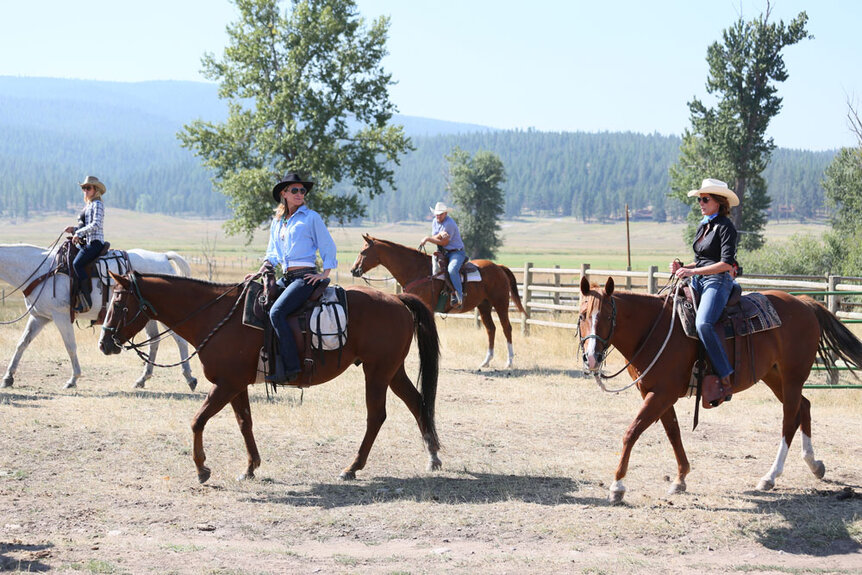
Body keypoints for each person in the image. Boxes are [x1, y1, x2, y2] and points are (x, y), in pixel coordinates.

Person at [249, 172, 337, 384]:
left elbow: (327, 245)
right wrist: (261, 271)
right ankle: (270, 360)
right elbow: (272, 254)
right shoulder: (278, 222)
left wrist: (324, 273)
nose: (300, 194)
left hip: (304, 278)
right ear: (284, 194)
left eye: (302, 190)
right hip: (286, 277)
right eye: (295, 190)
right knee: (261, 304)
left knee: (277, 312)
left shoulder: (311, 217)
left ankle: (291, 367)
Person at [670, 178, 739, 406]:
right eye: (699, 199)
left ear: (718, 202)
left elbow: (726, 264)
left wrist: (693, 272)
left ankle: (725, 375)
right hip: (699, 278)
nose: (700, 202)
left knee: (703, 324)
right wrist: (684, 268)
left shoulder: (725, 227)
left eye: (705, 199)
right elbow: (701, 260)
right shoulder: (704, 225)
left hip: (717, 281)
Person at [63, 176, 107, 312]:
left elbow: (96, 224)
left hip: (95, 243)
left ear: (96, 190)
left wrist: (79, 233)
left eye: (88, 188)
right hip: (86, 241)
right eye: (83, 188)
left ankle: (87, 301)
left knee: (77, 264)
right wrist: (74, 229)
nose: (85, 190)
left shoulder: (97, 204)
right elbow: (87, 225)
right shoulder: (88, 205)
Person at [420, 201, 467, 309]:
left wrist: (427, 238)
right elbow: (436, 237)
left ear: (445, 214)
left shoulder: (449, 224)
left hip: (456, 252)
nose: (438, 216)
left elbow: (443, 243)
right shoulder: (435, 221)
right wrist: (440, 234)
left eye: (440, 214)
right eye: (437, 214)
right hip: (444, 252)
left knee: (452, 270)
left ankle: (459, 296)